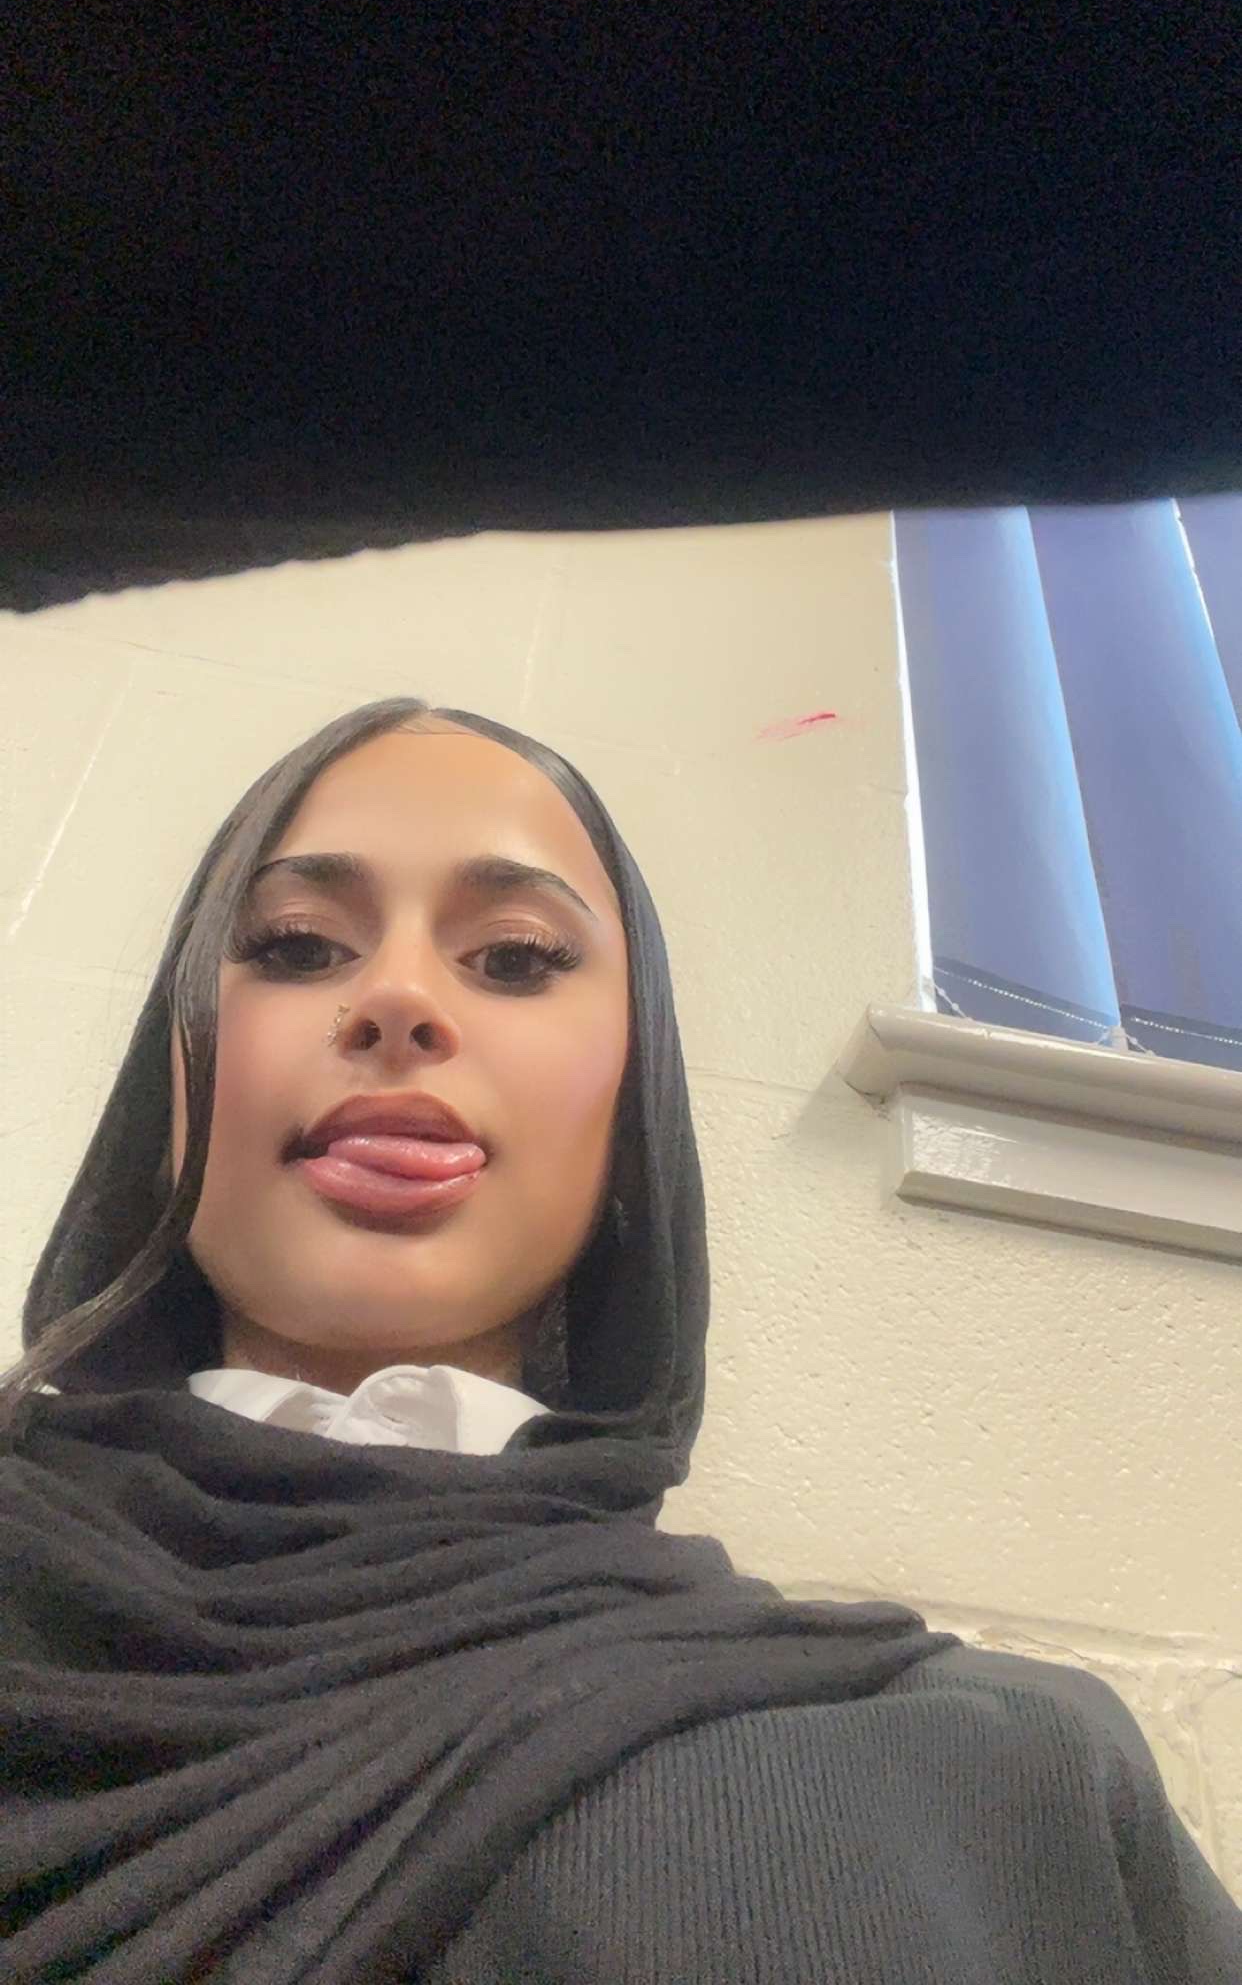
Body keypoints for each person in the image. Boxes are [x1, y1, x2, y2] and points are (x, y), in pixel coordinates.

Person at [1, 695, 1238, 1984]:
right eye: (299, 944)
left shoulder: (1007, 1782)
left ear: (632, 1110)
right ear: (169, 1083)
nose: (399, 998)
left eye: (517, 958)